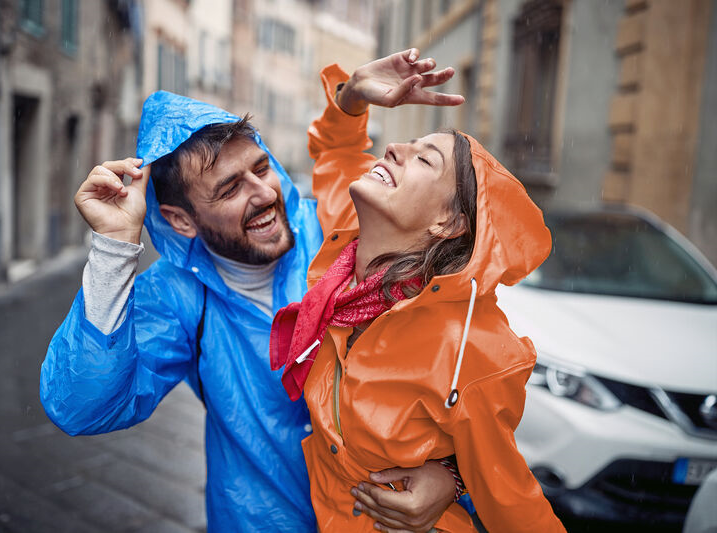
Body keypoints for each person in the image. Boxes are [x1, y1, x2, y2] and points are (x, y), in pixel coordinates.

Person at [40, 82, 463, 531]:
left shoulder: (339, 232)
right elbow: (82, 407)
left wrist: (453, 476)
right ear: (181, 221)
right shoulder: (176, 296)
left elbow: (456, 376)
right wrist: (113, 247)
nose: (263, 193)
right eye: (230, 190)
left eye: (262, 168)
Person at [270, 49, 567, 532]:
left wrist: (455, 475)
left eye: (423, 158)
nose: (393, 150)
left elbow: (514, 505)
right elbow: (337, 152)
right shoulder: (348, 242)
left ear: (448, 221)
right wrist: (354, 94)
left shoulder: (473, 347)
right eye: (405, 142)